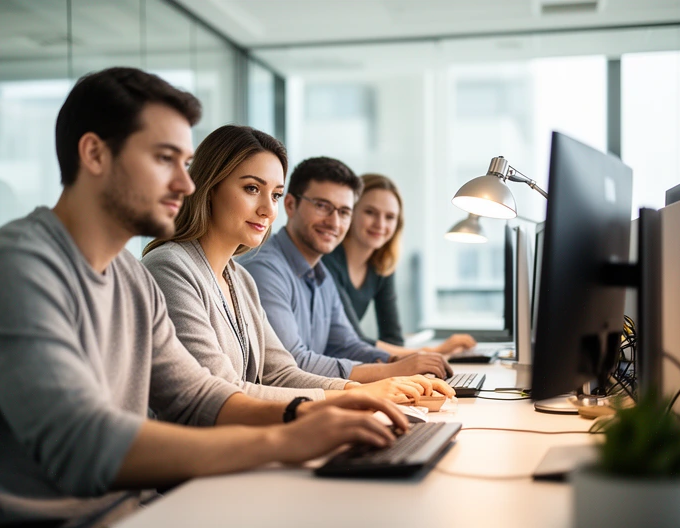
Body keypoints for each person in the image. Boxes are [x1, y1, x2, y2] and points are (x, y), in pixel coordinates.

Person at [0, 68, 408, 528]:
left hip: (133, 507)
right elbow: (81, 444)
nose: (185, 183)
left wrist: (308, 411)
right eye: (163, 159)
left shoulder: (130, 278)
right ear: (93, 154)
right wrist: (284, 438)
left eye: (186, 163)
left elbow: (195, 395)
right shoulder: (14, 269)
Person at [141, 125, 453, 405]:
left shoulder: (240, 280)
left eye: (274, 194)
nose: (267, 209)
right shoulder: (172, 267)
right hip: (196, 460)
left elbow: (281, 373)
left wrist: (356, 390)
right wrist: (356, 393)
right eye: (252, 188)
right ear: (209, 187)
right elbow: (223, 392)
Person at [239, 157, 467, 383]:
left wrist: (397, 361)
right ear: (290, 205)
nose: (334, 222)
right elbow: (293, 363)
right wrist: (393, 370)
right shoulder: (264, 269)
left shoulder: (321, 275)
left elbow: (346, 345)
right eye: (322, 206)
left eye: (344, 212)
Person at [322, 173, 476, 355]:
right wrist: (430, 353)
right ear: (350, 212)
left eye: (389, 217)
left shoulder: (382, 265)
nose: (380, 224)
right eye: (370, 212)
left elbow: (392, 338)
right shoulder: (327, 260)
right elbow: (354, 339)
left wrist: (414, 362)